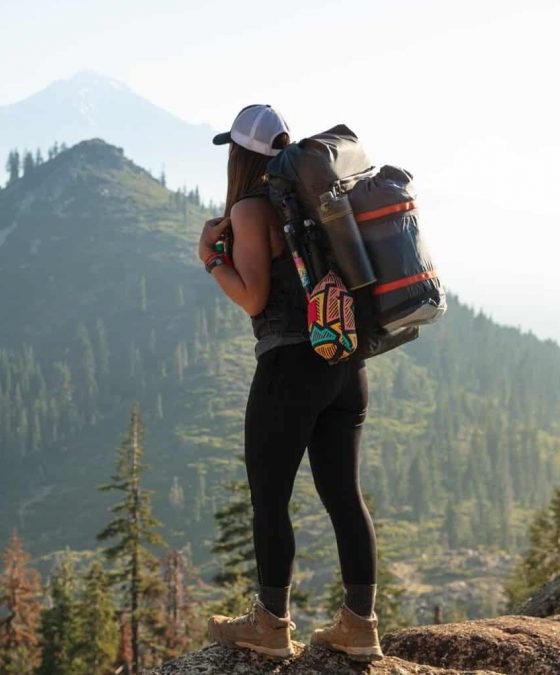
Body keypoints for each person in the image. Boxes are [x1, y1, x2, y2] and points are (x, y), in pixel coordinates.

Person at [200, 104, 384, 663]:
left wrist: (211, 259)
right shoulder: (317, 199)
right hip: (345, 362)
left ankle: (272, 624)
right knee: (344, 497)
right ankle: (359, 624)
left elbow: (254, 297)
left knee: (270, 497)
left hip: (289, 368)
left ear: (240, 154)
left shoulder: (252, 208)